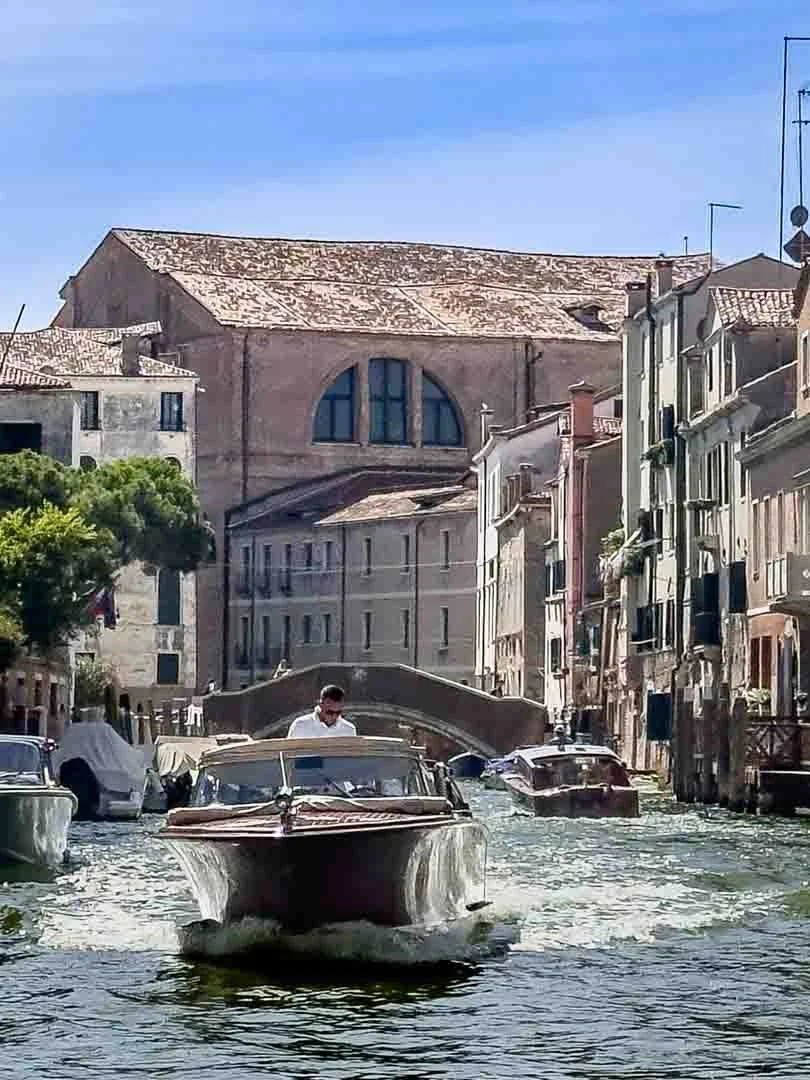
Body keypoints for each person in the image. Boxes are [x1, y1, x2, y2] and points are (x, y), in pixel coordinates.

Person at [287, 685, 357, 738]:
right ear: (321, 705)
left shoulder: (349, 729)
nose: (334, 716)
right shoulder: (300, 725)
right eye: (330, 712)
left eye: (338, 712)